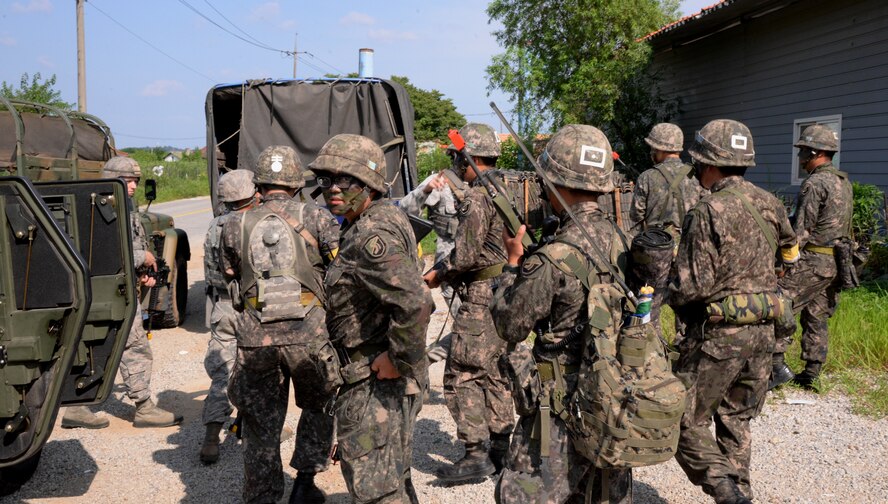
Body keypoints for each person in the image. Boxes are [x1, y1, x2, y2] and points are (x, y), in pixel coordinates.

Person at [491, 124, 633, 503]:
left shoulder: (552, 258)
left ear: (553, 183)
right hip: (611, 398)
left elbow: (509, 323)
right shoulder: (624, 242)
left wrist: (512, 263)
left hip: (558, 407)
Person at [670, 119, 798, 504]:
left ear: (707, 163)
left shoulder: (708, 210)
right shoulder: (771, 203)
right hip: (765, 332)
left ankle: (724, 489)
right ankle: (740, 493)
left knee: (681, 419)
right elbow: (790, 255)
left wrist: (664, 291)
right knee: (736, 420)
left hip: (719, 338)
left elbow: (693, 287)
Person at [311, 133, 433, 503]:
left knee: (376, 490)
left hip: (374, 383)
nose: (333, 188)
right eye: (326, 180)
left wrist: (398, 360)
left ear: (370, 184)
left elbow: (415, 302)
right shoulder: (375, 219)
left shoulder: (370, 234)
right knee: (391, 477)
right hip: (373, 379)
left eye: (345, 180)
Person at [221, 146, 340, 504]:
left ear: (259, 185)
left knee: (259, 422)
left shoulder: (234, 223)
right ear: (295, 184)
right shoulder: (318, 218)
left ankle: (262, 496)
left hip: (257, 337)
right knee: (319, 405)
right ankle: (304, 483)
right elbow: (339, 271)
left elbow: (228, 275)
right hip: (310, 336)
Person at [61, 156, 183, 429]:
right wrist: (143, 257)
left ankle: (76, 407)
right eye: (128, 181)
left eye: (135, 181)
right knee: (135, 346)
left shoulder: (114, 208)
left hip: (115, 289)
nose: (133, 186)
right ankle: (143, 407)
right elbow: (105, 252)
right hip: (109, 293)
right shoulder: (100, 210)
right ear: (111, 179)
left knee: (98, 345)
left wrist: (140, 273)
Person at [422, 123, 514, 481]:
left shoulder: (478, 196)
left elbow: (464, 256)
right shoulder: (510, 190)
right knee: (495, 371)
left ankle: (476, 454)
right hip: (508, 289)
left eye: (458, 157)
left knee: (462, 372)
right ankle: (502, 448)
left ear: (468, 157)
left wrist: (435, 276)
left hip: (482, 294)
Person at [770, 124, 852, 390]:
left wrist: (782, 264)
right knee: (816, 315)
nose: (799, 157)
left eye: (802, 151)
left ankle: (775, 365)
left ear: (814, 153)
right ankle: (812, 373)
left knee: (779, 304)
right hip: (835, 264)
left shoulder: (814, 184)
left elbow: (800, 231)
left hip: (813, 260)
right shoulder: (843, 181)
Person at [199, 169, 257, 464]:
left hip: (223, 306)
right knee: (258, 369)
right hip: (251, 306)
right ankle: (253, 429)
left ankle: (211, 439)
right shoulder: (254, 224)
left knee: (223, 372)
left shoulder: (214, 226)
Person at [630, 122, 704, 240]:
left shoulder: (647, 176)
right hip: (689, 245)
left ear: (660, 149)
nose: (651, 152)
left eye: (652, 148)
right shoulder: (695, 175)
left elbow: (635, 215)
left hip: (656, 247)